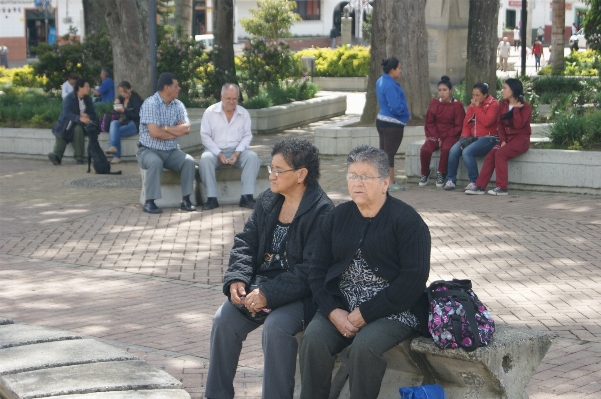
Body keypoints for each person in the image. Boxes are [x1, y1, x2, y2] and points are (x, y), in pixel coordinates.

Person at [205, 138, 334, 399]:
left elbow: (310, 271)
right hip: (260, 286)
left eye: (278, 170)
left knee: (276, 327)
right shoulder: (269, 200)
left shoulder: (322, 211)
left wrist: (268, 294)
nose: (271, 176)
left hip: (301, 295)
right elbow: (245, 242)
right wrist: (237, 279)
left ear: (301, 174)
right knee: (224, 319)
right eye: (270, 169)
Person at [299, 145, 430, 399]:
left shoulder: (408, 221)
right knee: (314, 339)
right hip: (342, 305)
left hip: (394, 310)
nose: (357, 183)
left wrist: (366, 313)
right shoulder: (337, 217)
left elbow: (412, 281)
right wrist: (332, 311)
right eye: (352, 175)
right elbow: (316, 271)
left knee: (365, 347)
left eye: (365, 176)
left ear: (385, 182)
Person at [136, 72, 196, 214]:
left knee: (188, 161)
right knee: (155, 162)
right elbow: (154, 133)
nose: (179, 88)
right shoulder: (151, 103)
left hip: (171, 151)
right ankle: (149, 202)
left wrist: (165, 128)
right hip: (147, 150)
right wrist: (175, 130)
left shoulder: (178, 105)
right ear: (166, 87)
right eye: (176, 86)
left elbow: (186, 129)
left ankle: (186, 200)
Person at [199, 83, 260, 210]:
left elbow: (247, 136)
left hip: (237, 151)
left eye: (234, 98)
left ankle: (246, 197)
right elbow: (205, 136)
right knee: (205, 159)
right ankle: (211, 198)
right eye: (228, 98)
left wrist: (237, 153)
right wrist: (219, 153)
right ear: (221, 97)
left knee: (252, 157)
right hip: (214, 151)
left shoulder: (243, 113)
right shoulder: (210, 112)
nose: (231, 102)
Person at [466, 79, 531, 196]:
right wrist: (503, 140)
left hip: (521, 139)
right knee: (492, 154)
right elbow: (499, 125)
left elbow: (518, 125)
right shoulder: (503, 105)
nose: (502, 91)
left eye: (505, 88)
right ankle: (480, 186)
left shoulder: (525, 107)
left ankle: (502, 187)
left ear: (513, 90)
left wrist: (516, 109)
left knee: (500, 154)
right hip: (507, 139)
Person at [443, 82, 499, 191]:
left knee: (467, 152)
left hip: (489, 138)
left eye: (477, 95)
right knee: (454, 150)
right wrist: (464, 139)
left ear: (485, 94)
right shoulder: (471, 106)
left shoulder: (494, 104)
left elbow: (487, 121)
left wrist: (477, 108)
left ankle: (474, 181)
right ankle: (451, 180)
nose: (474, 98)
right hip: (473, 137)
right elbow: (467, 123)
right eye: (473, 95)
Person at [418, 76, 465, 187]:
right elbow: (429, 123)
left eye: (444, 90)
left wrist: (443, 137)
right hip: (435, 133)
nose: (442, 93)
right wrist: (437, 136)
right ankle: (425, 173)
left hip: (451, 134)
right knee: (425, 149)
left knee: (446, 148)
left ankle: (441, 173)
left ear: (450, 91)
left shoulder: (457, 106)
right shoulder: (434, 104)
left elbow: (459, 126)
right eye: (439, 90)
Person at [375, 57, 410, 192]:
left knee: (384, 153)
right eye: (399, 68)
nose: (401, 71)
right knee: (388, 154)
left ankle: (382, 181)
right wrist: (405, 113)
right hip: (392, 123)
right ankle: (389, 183)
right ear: (392, 70)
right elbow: (395, 106)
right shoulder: (390, 84)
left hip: (382, 120)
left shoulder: (380, 80)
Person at [49, 78, 96, 166]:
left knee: (78, 129)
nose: (88, 88)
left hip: (81, 124)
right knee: (64, 131)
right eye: (86, 86)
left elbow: (93, 114)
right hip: (67, 122)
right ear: (79, 87)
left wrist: (88, 116)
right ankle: (57, 157)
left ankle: (79, 157)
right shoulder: (69, 98)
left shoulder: (88, 99)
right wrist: (78, 118)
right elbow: (66, 112)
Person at [105, 81, 144, 164]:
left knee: (116, 132)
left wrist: (125, 111)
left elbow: (138, 115)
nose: (122, 93)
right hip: (124, 121)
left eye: (124, 91)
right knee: (113, 123)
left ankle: (116, 155)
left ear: (130, 89)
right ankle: (113, 147)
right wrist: (116, 104)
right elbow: (119, 101)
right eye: (121, 92)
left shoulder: (135, 99)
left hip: (135, 123)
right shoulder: (122, 98)